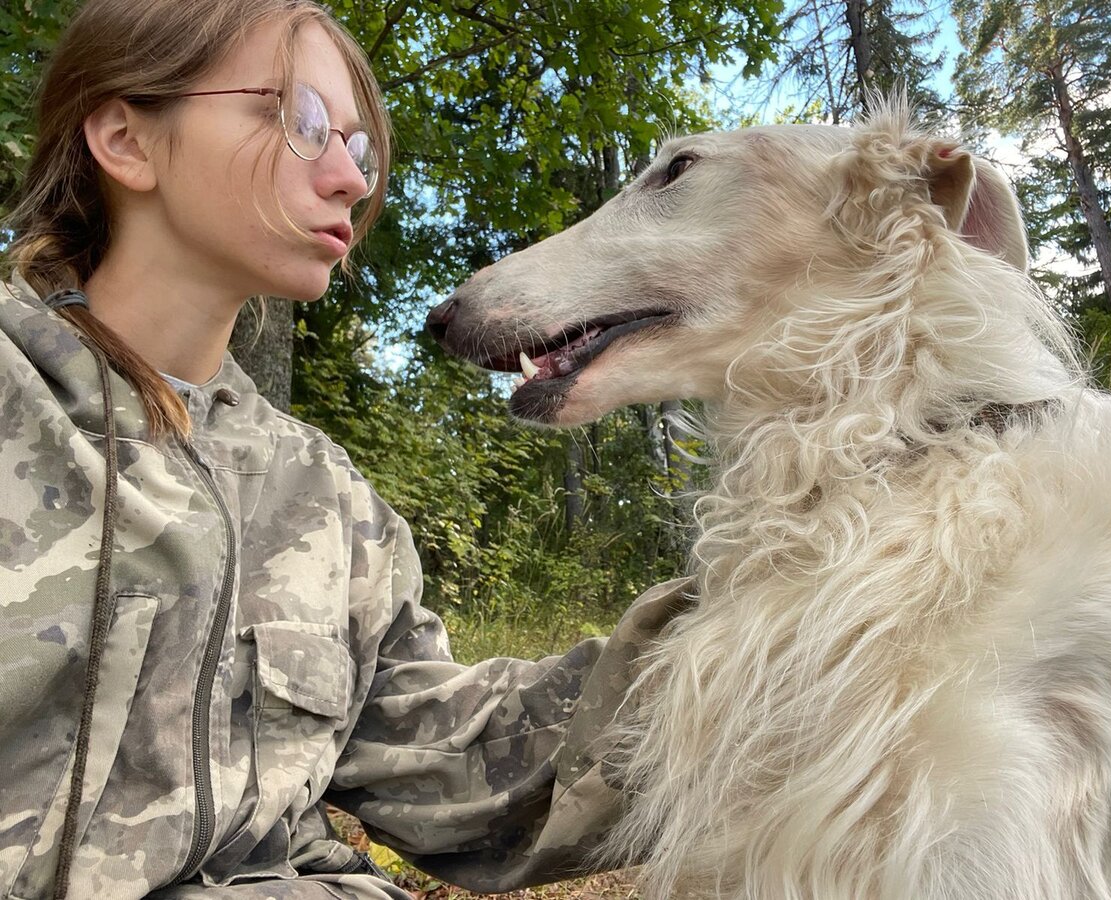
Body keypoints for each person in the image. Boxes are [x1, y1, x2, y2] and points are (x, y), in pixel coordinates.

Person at [0, 1, 689, 897]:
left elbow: (471, 773)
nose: (350, 181)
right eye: (299, 121)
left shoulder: (324, 497)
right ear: (127, 140)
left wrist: (769, 617)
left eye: (359, 150)